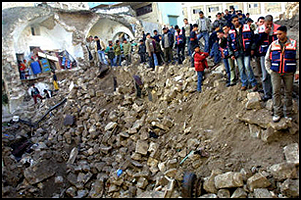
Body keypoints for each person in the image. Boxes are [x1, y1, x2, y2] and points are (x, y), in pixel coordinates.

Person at [265, 25, 298, 122]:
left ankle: (288, 113)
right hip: (275, 72)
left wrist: (297, 72)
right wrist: (269, 71)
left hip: (289, 73)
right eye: (277, 34)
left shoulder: (293, 43)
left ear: (285, 33)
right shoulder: (273, 44)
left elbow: (297, 58)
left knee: (288, 92)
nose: (278, 36)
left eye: (280, 34)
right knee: (276, 92)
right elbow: (267, 59)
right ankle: (277, 113)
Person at [228, 15, 258, 91]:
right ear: (232, 22)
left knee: (247, 66)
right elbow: (229, 43)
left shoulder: (246, 28)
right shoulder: (231, 31)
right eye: (234, 21)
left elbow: (253, 39)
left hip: (246, 51)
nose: (236, 22)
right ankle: (244, 83)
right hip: (237, 53)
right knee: (241, 68)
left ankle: (253, 83)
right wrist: (231, 53)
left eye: (237, 20)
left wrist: (252, 49)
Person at [255, 15, 281, 101]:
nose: (268, 26)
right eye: (267, 24)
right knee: (265, 74)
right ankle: (267, 93)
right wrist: (264, 34)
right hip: (263, 54)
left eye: (270, 24)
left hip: (275, 54)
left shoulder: (277, 28)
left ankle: (275, 92)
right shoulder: (260, 29)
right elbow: (256, 42)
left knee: (274, 73)